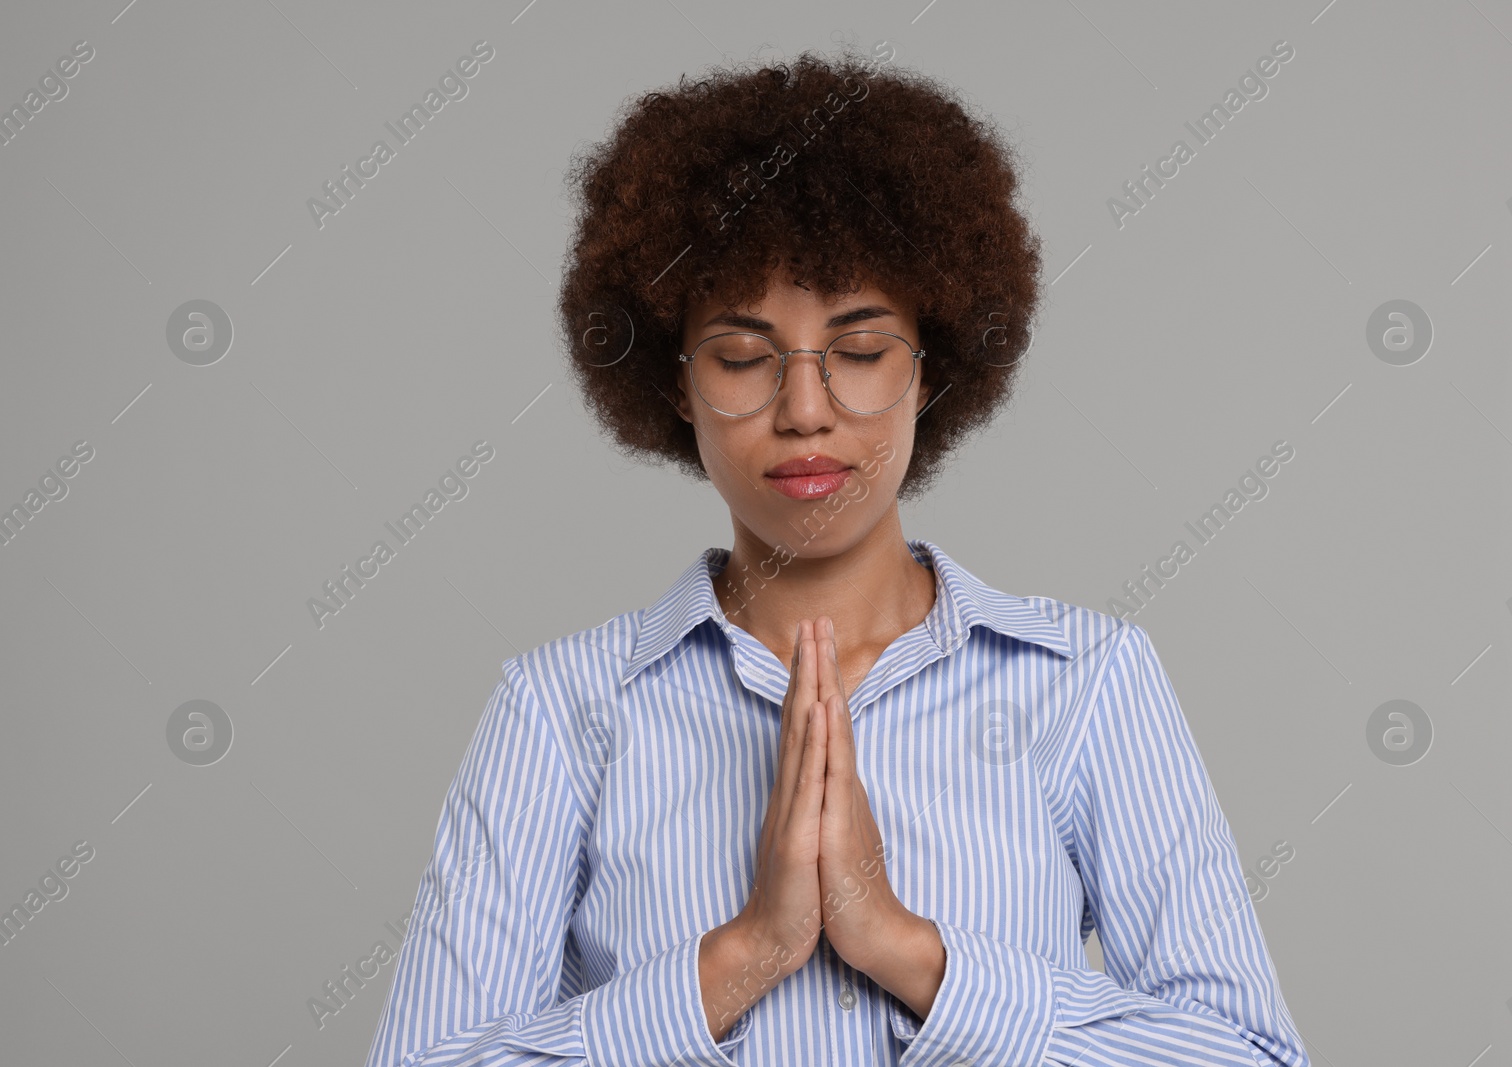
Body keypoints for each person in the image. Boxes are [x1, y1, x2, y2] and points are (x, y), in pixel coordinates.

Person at [364, 48, 1311, 1067]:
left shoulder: (1086, 684)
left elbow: (1249, 1053)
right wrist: (739, 957)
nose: (805, 409)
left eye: (859, 351)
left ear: (932, 364)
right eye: (741, 356)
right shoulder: (560, 713)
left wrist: (911, 953)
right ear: (676, 383)